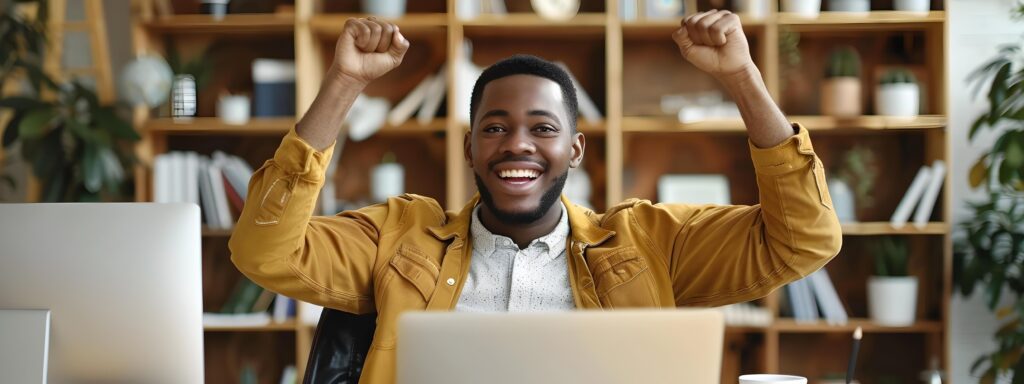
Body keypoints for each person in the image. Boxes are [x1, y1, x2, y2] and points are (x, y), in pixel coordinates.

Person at [230, 10, 842, 383]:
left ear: (574, 150)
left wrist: (742, 77)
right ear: (470, 148)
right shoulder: (399, 237)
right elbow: (264, 251)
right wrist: (344, 82)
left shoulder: (650, 243)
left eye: (543, 129)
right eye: (495, 128)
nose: (516, 145)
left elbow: (804, 240)